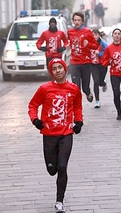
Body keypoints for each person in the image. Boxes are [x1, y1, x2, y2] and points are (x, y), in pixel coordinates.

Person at [28, 58, 83, 213]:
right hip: (49, 134)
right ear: (51, 72)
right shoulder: (44, 89)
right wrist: (35, 120)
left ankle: (59, 201)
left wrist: (78, 121)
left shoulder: (73, 89)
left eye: (60, 67)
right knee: (52, 170)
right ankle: (54, 168)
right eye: (55, 68)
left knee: (62, 167)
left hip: (66, 133)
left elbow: (78, 106)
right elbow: (33, 105)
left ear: (65, 70)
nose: (58, 70)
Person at [68, 12, 99, 102]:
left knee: (85, 86)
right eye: (75, 20)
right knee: (76, 86)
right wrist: (67, 45)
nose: (77, 22)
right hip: (74, 62)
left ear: (82, 21)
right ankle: (77, 104)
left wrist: (88, 44)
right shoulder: (70, 32)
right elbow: (67, 42)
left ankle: (88, 92)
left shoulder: (87, 32)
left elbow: (96, 45)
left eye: (79, 20)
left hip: (85, 62)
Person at [91, 29, 108, 109]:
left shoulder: (103, 44)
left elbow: (107, 53)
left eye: (95, 35)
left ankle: (104, 83)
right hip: (94, 65)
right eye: (93, 35)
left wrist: (100, 53)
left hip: (102, 65)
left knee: (100, 82)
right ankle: (97, 100)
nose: (94, 37)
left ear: (98, 35)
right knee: (96, 82)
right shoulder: (89, 43)